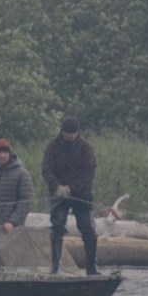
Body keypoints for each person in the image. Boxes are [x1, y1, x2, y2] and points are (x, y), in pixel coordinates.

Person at [41, 115, 99, 275]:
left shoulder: (86, 147)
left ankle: (92, 268)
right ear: (62, 132)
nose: (71, 136)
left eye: (73, 133)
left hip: (82, 195)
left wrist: (71, 188)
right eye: (68, 133)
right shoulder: (52, 147)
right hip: (58, 195)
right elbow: (47, 169)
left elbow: (89, 172)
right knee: (57, 228)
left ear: (77, 132)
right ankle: (55, 268)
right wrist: (57, 187)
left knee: (88, 230)